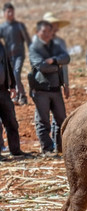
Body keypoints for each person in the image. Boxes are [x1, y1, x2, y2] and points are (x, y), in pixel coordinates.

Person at [28, 20, 70, 156]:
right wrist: (57, 66)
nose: (47, 34)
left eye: (49, 32)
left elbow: (67, 58)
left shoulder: (55, 45)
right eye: (44, 31)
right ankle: (47, 149)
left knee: (61, 120)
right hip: (41, 90)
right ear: (37, 32)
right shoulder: (34, 48)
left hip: (55, 89)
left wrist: (53, 60)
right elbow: (42, 67)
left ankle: (60, 147)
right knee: (43, 121)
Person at [0, 37, 28, 160]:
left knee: (11, 121)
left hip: (3, 90)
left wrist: (12, 85)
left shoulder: (1, 45)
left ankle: (16, 151)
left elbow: (8, 65)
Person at [0, 3, 31, 105]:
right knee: (11, 77)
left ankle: (22, 96)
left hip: (19, 55)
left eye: (12, 11)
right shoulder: (2, 27)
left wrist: (33, 53)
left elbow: (28, 40)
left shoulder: (19, 26)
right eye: (8, 11)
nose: (11, 13)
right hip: (8, 57)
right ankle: (15, 95)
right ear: (4, 13)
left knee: (16, 73)